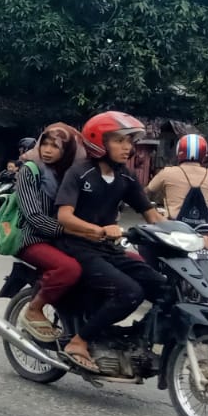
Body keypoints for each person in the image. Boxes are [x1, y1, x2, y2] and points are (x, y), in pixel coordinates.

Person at [52, 111, 166, 375]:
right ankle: (79, 341)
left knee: (164, 287)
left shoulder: (125, 177)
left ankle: (136, 339)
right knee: (130, 292)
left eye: (130, 142)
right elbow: (64, 217)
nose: (127, 148)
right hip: (77, 247)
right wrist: (99, 229)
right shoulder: (79, 173)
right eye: (119, 141)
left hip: (108, 248)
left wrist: (190, 234)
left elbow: (152, 216)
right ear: (98, 142)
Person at [13, 124, 86, 342]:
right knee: (69, 269)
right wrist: (67, 229)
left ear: (68, 151)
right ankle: (34, 309)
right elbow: (33, 215)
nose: (47, 150)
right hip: (33, 239)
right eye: (44, 144)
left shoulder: (71, 173)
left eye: (55, 146)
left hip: (63, 239)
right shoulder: (30, 171)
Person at [147, 134, 208, 223]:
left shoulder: (167, 173)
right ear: (204, 156)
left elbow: (147, 192)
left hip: (173, 225)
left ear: (178, 152)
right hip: (202, 226)